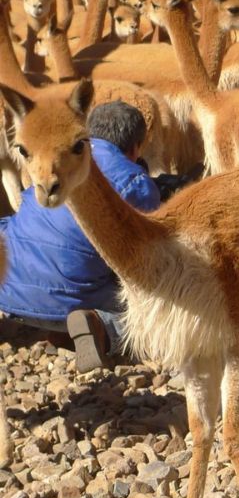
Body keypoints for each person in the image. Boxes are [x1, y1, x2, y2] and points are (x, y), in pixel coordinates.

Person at [0, 102, 161, 372]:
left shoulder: (54, 160)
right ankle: (101, 327)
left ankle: (50, 326)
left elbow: (27, 206)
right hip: (70, 298)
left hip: (8, 289)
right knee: (155, 304)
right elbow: (146, 255)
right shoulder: (134, 182)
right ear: (136, 147)